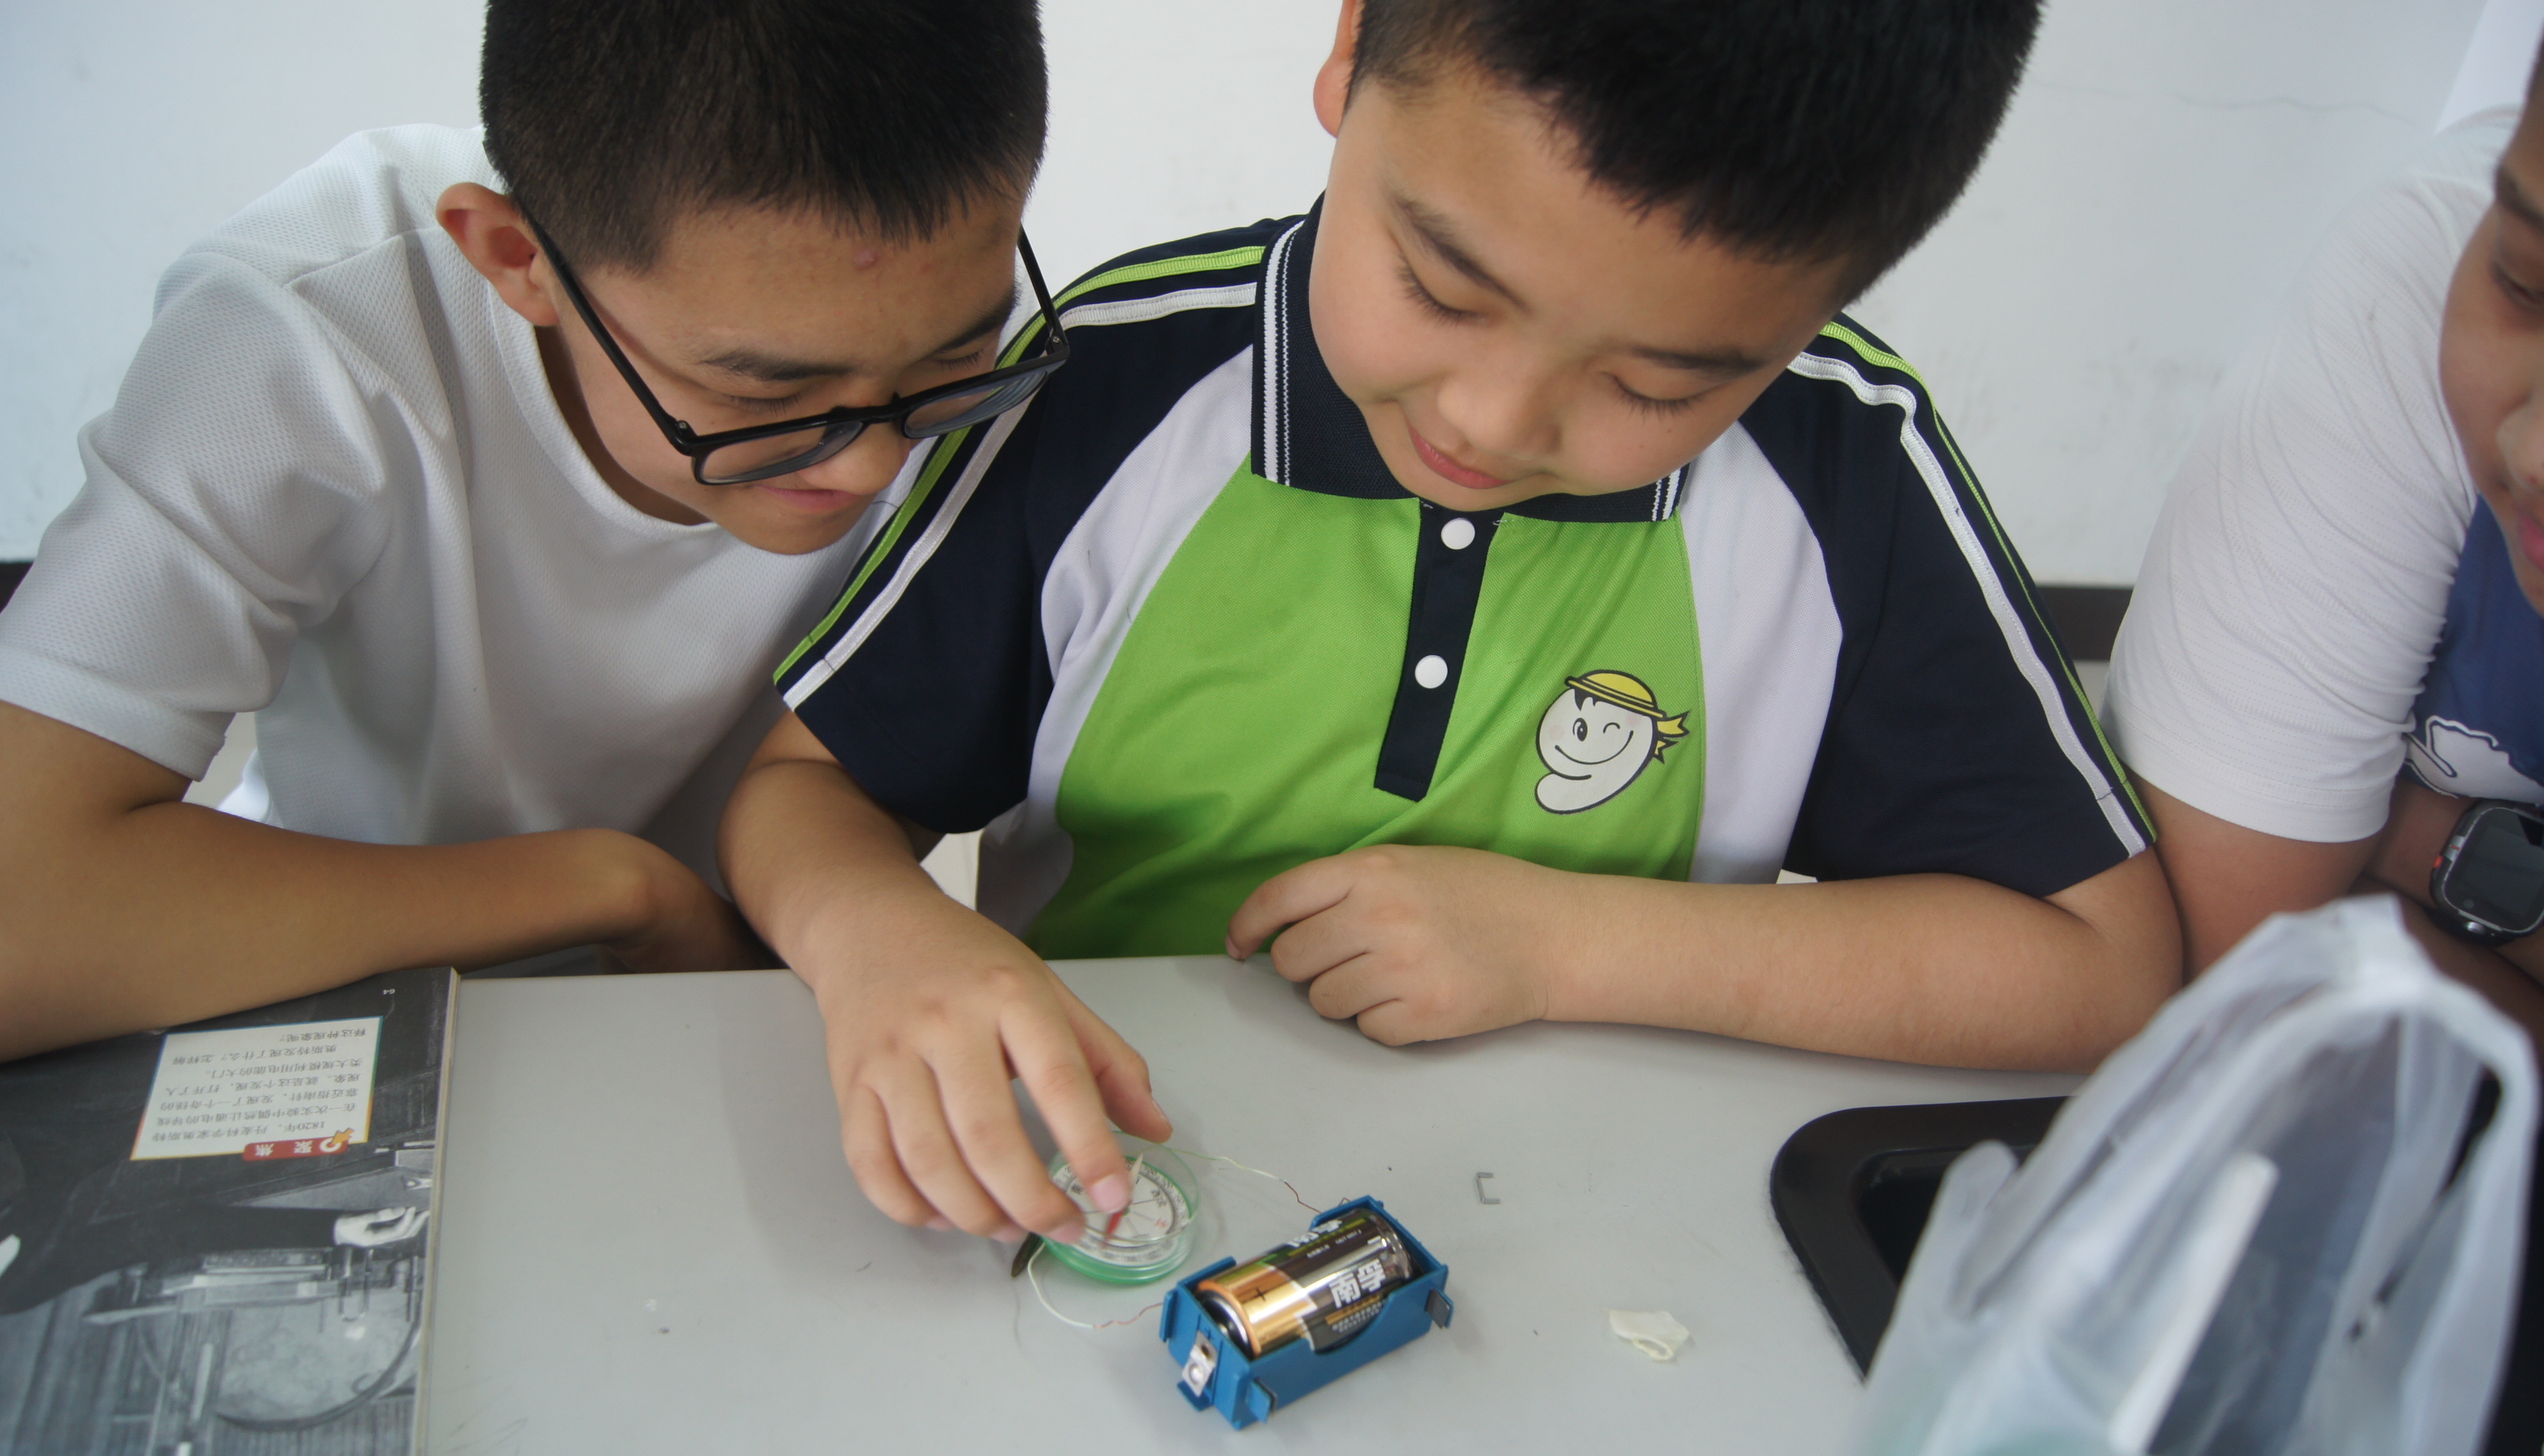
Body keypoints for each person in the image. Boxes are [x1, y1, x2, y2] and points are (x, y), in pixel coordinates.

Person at [720, 0, 2181, 1248]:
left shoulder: (1836, 463)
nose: (1489, 422)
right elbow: (802, 790)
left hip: (1601, 1238)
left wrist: (1568, 944)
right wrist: (879, 938)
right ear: (1352, 46)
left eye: (1655, 386)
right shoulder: (1111, 388)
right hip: (1108, 1195)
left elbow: (2101, 967)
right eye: (1437, 286)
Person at [0, 0, 1055, 1062]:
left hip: (753, 997)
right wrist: (615, 888)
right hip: (327, 975)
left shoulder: (996, 342)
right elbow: (24, 914)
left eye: (951, 360)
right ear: (517, 260)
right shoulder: (309, 339)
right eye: (765, 395)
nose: (871, 466)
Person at [2101, 68, 2544, 1038]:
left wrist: (2401, 831)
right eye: (2519, 280)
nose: (2532, 451)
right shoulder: (2417, 277)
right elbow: (2228, 956)